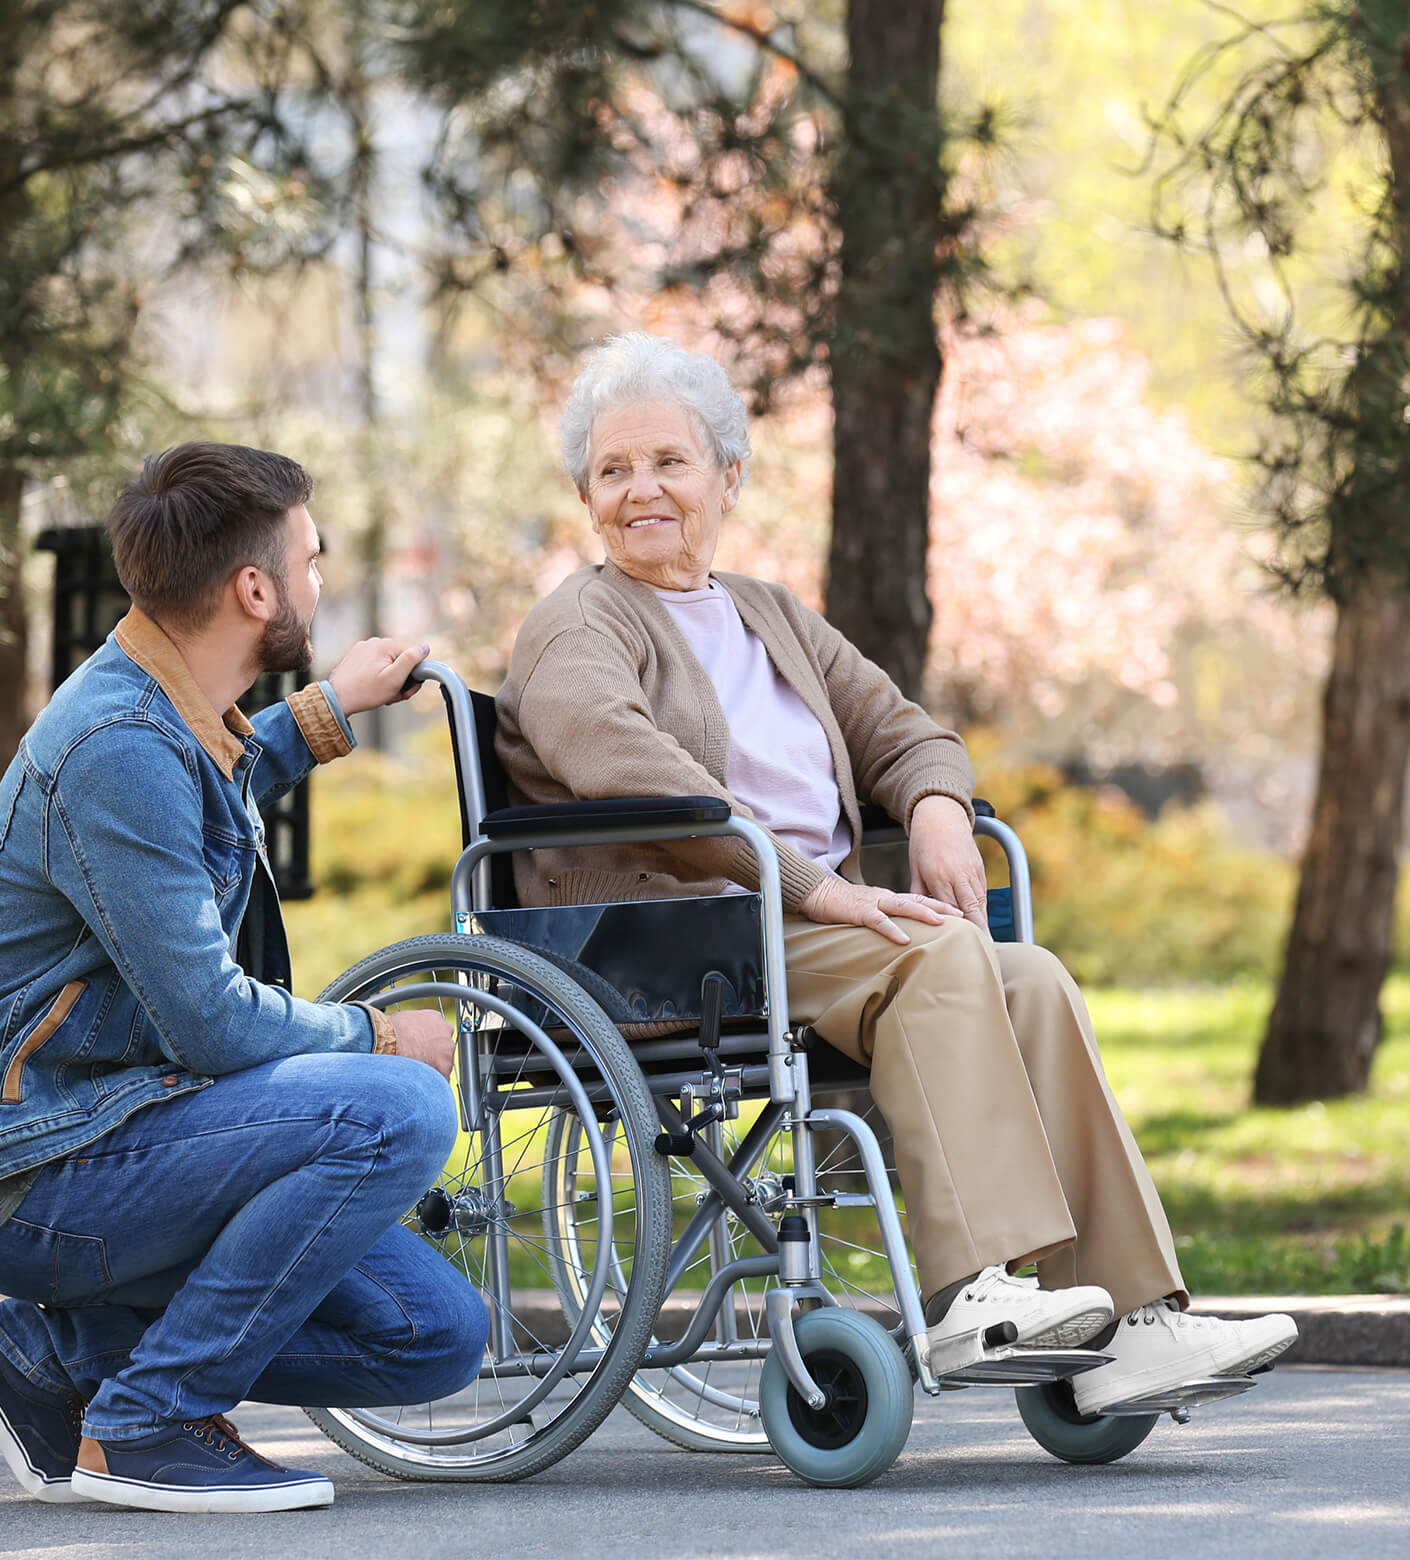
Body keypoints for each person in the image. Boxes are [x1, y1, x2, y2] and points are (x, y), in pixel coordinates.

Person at [496, 332, 1296, 1414]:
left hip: (801, 927)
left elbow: (900, 728)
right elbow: (631, 771)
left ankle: (1136, 1319)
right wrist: (818, 886)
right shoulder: (575, 627)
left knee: (1034, 978)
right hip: (677, 939)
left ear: (729, 477)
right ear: (586, 497)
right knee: (938, 959)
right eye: (613, 470)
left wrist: (934, 812)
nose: (642, 491)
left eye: (669, 463)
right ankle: (977, 1292)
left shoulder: (768, 613)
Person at [0, 443, 486, 1514]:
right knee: (396, 1108)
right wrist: (374, 1036)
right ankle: (146, 1422)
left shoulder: (161, 714)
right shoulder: (117, 743)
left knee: (435, 1339)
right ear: (254, 589)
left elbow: (212, 780)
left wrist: (328, 711)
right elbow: (214, 1026)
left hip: (128, 1130)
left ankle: (66, 1352)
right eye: (308, 561)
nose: (318, 584)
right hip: (41, 1167)